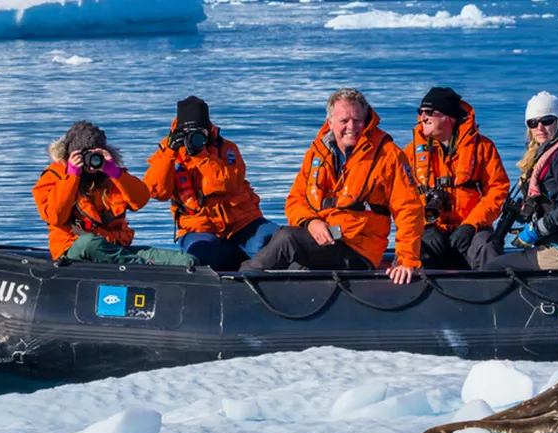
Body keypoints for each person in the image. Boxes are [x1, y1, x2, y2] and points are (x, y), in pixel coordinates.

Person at [239, 88, 424, 285]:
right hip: (324, 240)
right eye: (344, 121)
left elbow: (409, 210)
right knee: (289, 261)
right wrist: (311, 222)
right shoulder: (317, 153)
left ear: (367, 120)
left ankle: (237, 284)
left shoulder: (388, 155)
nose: (351, 127)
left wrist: (406, 260)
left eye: (357, 120)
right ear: (330, 123)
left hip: (359, 249)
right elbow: (295, 200)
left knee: (287, 239)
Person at [32, 121, 197, 266]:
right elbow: (55, 216)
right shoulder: (54, 177)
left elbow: (140, 200)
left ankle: (147, 265)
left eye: (94, 154)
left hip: (115, 250)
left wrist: (115, 172)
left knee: (185, 260)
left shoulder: (112, 176)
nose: (90, 162)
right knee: (89, 243)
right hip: (73, 251)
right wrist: (72, 175)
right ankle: (144, 267)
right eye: (83, 155)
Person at [143, 96, 280, 271]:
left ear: (208, 129)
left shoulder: (227, 149)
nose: (194, 137)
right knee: (202, 256)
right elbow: (156, 192)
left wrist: (201, 156)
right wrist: (169, 153)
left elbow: (226, 184)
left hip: (243, 223)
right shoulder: (168, 152)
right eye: (187, 131)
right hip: (198, 228)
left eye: (199, 131)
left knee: (275, 244)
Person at [486, 92, 558, 271]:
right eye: (533, 123)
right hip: (555, 245)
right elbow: (547, 204)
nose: (540, 128)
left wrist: (535, 231)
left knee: (494, 268)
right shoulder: (544, 154)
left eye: (547, 121)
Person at [404, 87, 510, 270]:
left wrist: (471, 225)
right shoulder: (410, 153)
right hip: (432, 230)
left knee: (486, 246)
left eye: (430, 112)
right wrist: (425, 226)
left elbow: (498, 190)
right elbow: (403, 199)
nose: (423, 118)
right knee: (414, 248)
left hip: (471, 230)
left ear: (449, 117)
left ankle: (496, 292)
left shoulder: (483, 148)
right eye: (420, 112)